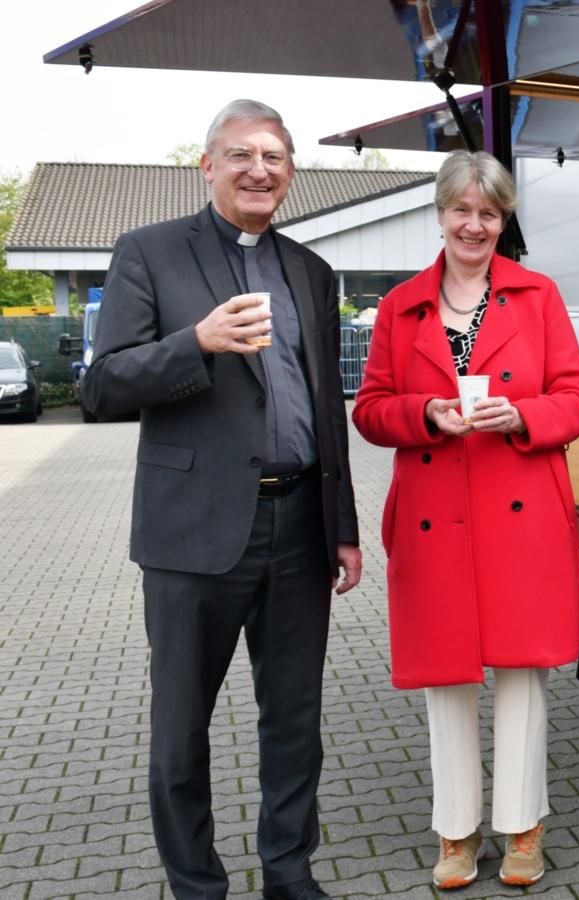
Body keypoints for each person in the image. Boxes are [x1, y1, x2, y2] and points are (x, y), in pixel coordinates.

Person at [80, 99, 362, 900]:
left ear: (292, 173)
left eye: (274, 157)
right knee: (180, 730)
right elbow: (100, 386)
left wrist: (341, 527)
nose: (258, 171)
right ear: (207, 166)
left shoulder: (310, 269)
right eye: (240, 155)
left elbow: (324, 406)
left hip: (300, 524)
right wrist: (193, 343)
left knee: (294, 721)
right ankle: (196, 884)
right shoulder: (150, 253)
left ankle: (288, 871)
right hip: (194, 532)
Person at [352, 150, 579, 890]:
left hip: (519, 509)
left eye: (488, 212)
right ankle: (455, 834)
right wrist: (424, 412)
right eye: (462, 209)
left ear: (504, 218)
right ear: (441, 213)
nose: (474, 224)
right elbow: (369, 410)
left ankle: (523, 828)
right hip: (434, 516)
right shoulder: (400, 306)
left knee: (522, 677)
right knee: (446, 679)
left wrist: (521, 412)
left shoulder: (538, 295)